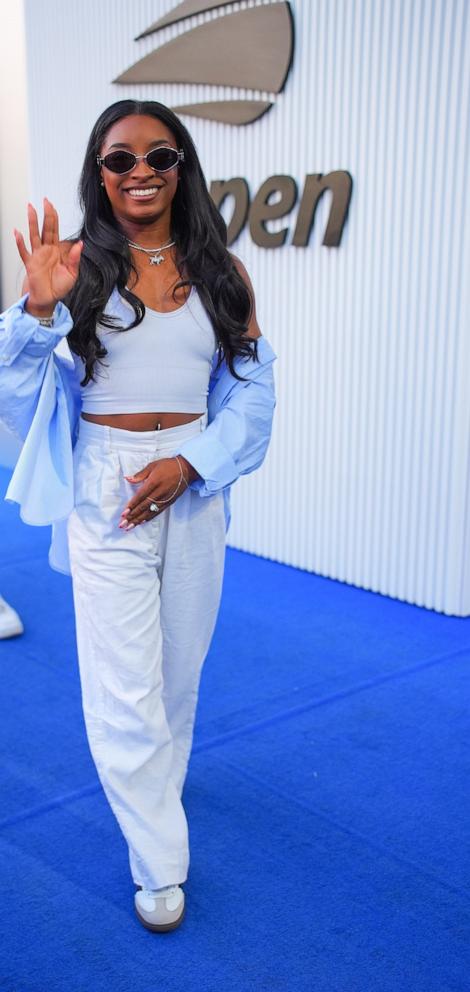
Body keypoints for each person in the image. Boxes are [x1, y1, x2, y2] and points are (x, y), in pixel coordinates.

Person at [0, 99, 277, 932]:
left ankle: (157, 788)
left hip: (195, 486)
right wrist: (38, 313)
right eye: (120, 160)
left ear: (182, 166)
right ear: (99, 174)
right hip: (105, 490)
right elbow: (14, 401)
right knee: (126, 688)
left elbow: (254, 396)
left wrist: (192, 462)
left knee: (178, 674)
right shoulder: (76, 269)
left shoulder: (222, 272)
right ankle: (161, 858)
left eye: (159, 155)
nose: (140, 171)